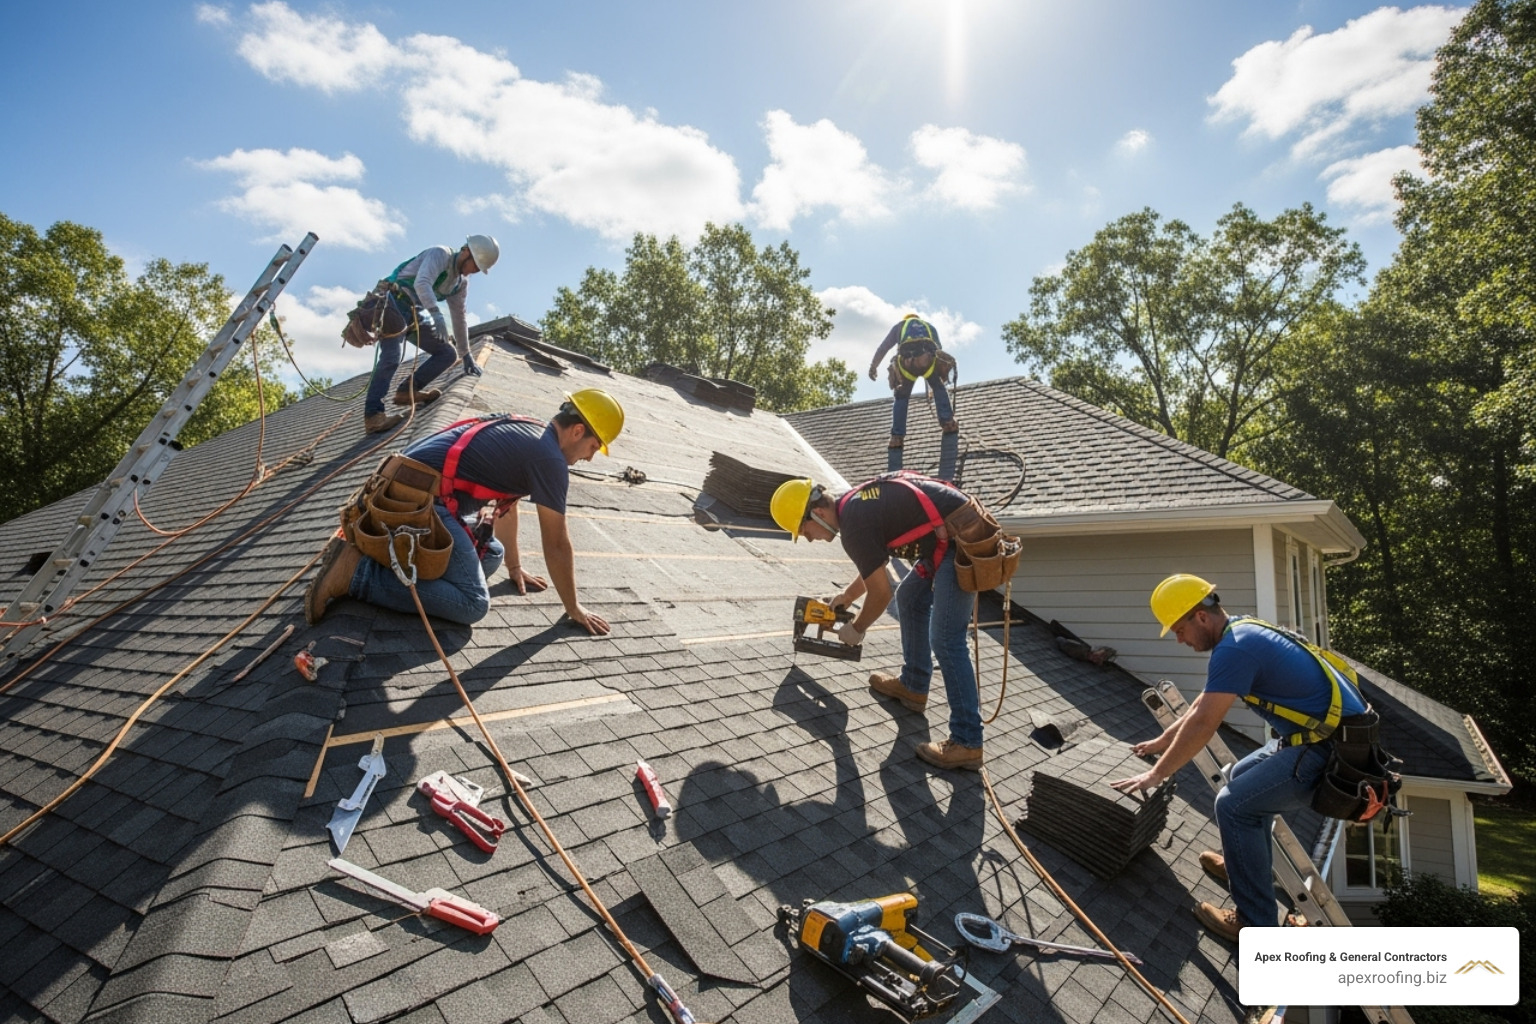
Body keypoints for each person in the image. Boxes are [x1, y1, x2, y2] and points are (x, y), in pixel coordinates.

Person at [1109, 573, 1371, 942]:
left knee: (1234, 806)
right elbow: (1205, 700)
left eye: (1180, 629)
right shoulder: (1242, 630)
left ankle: (1254, 923)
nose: (1180, 640)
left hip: (1330, 751)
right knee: (1241, 777)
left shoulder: (1236, 649)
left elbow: (1203, 724)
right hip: (1325, 738)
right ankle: (1244, 870)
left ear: (1201, 616)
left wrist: (1156, 775)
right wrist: (1164, 740)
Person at [305, 388, 625, 632]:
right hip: (416, 500)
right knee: (473, 604)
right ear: (578, 431)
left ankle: (391, 563)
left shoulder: (535, 432)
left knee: (492, 554)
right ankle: (357, 574)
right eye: (594, 447)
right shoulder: (550, 460)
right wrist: (573, 608)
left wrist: (514, 569)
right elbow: (556, 542)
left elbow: (506, 509)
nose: (590, 458)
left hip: (402, 489)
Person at [770, 472, 985, 770]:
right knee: (910, 598)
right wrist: (847, 595)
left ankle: (968, 741)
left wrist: (856, 629)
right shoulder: (852, 507)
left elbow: (881, 593)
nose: (808, 539)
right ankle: (914, 685)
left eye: (804, 531)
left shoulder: (854, 522)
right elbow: (874, 564)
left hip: (961, 541)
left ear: (818, 513)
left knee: (947, 639)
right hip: (943, 539)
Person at [363, 235, 500, 434]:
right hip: (393, 300)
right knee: (392, 355)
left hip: (414, 311)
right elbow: (422, 282)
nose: (474, 272)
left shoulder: (459, 283)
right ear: (466, 252)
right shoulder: (440, 254)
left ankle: (406, 392)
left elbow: (459, 317)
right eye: (475, 266)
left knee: (447, 353)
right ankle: (373, 415)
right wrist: (435, 314)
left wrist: (466, 354)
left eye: (478, 270)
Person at [868, 314, 957, 470]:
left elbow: (884, 347)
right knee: (938, 387)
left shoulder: (900, 326)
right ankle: (948, 423)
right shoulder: (930, 327)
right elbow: (938, 352)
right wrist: (933, 379)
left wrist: (873, 366)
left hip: (906, 363)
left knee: (901, 397)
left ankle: (896, 437)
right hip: (927, 360)